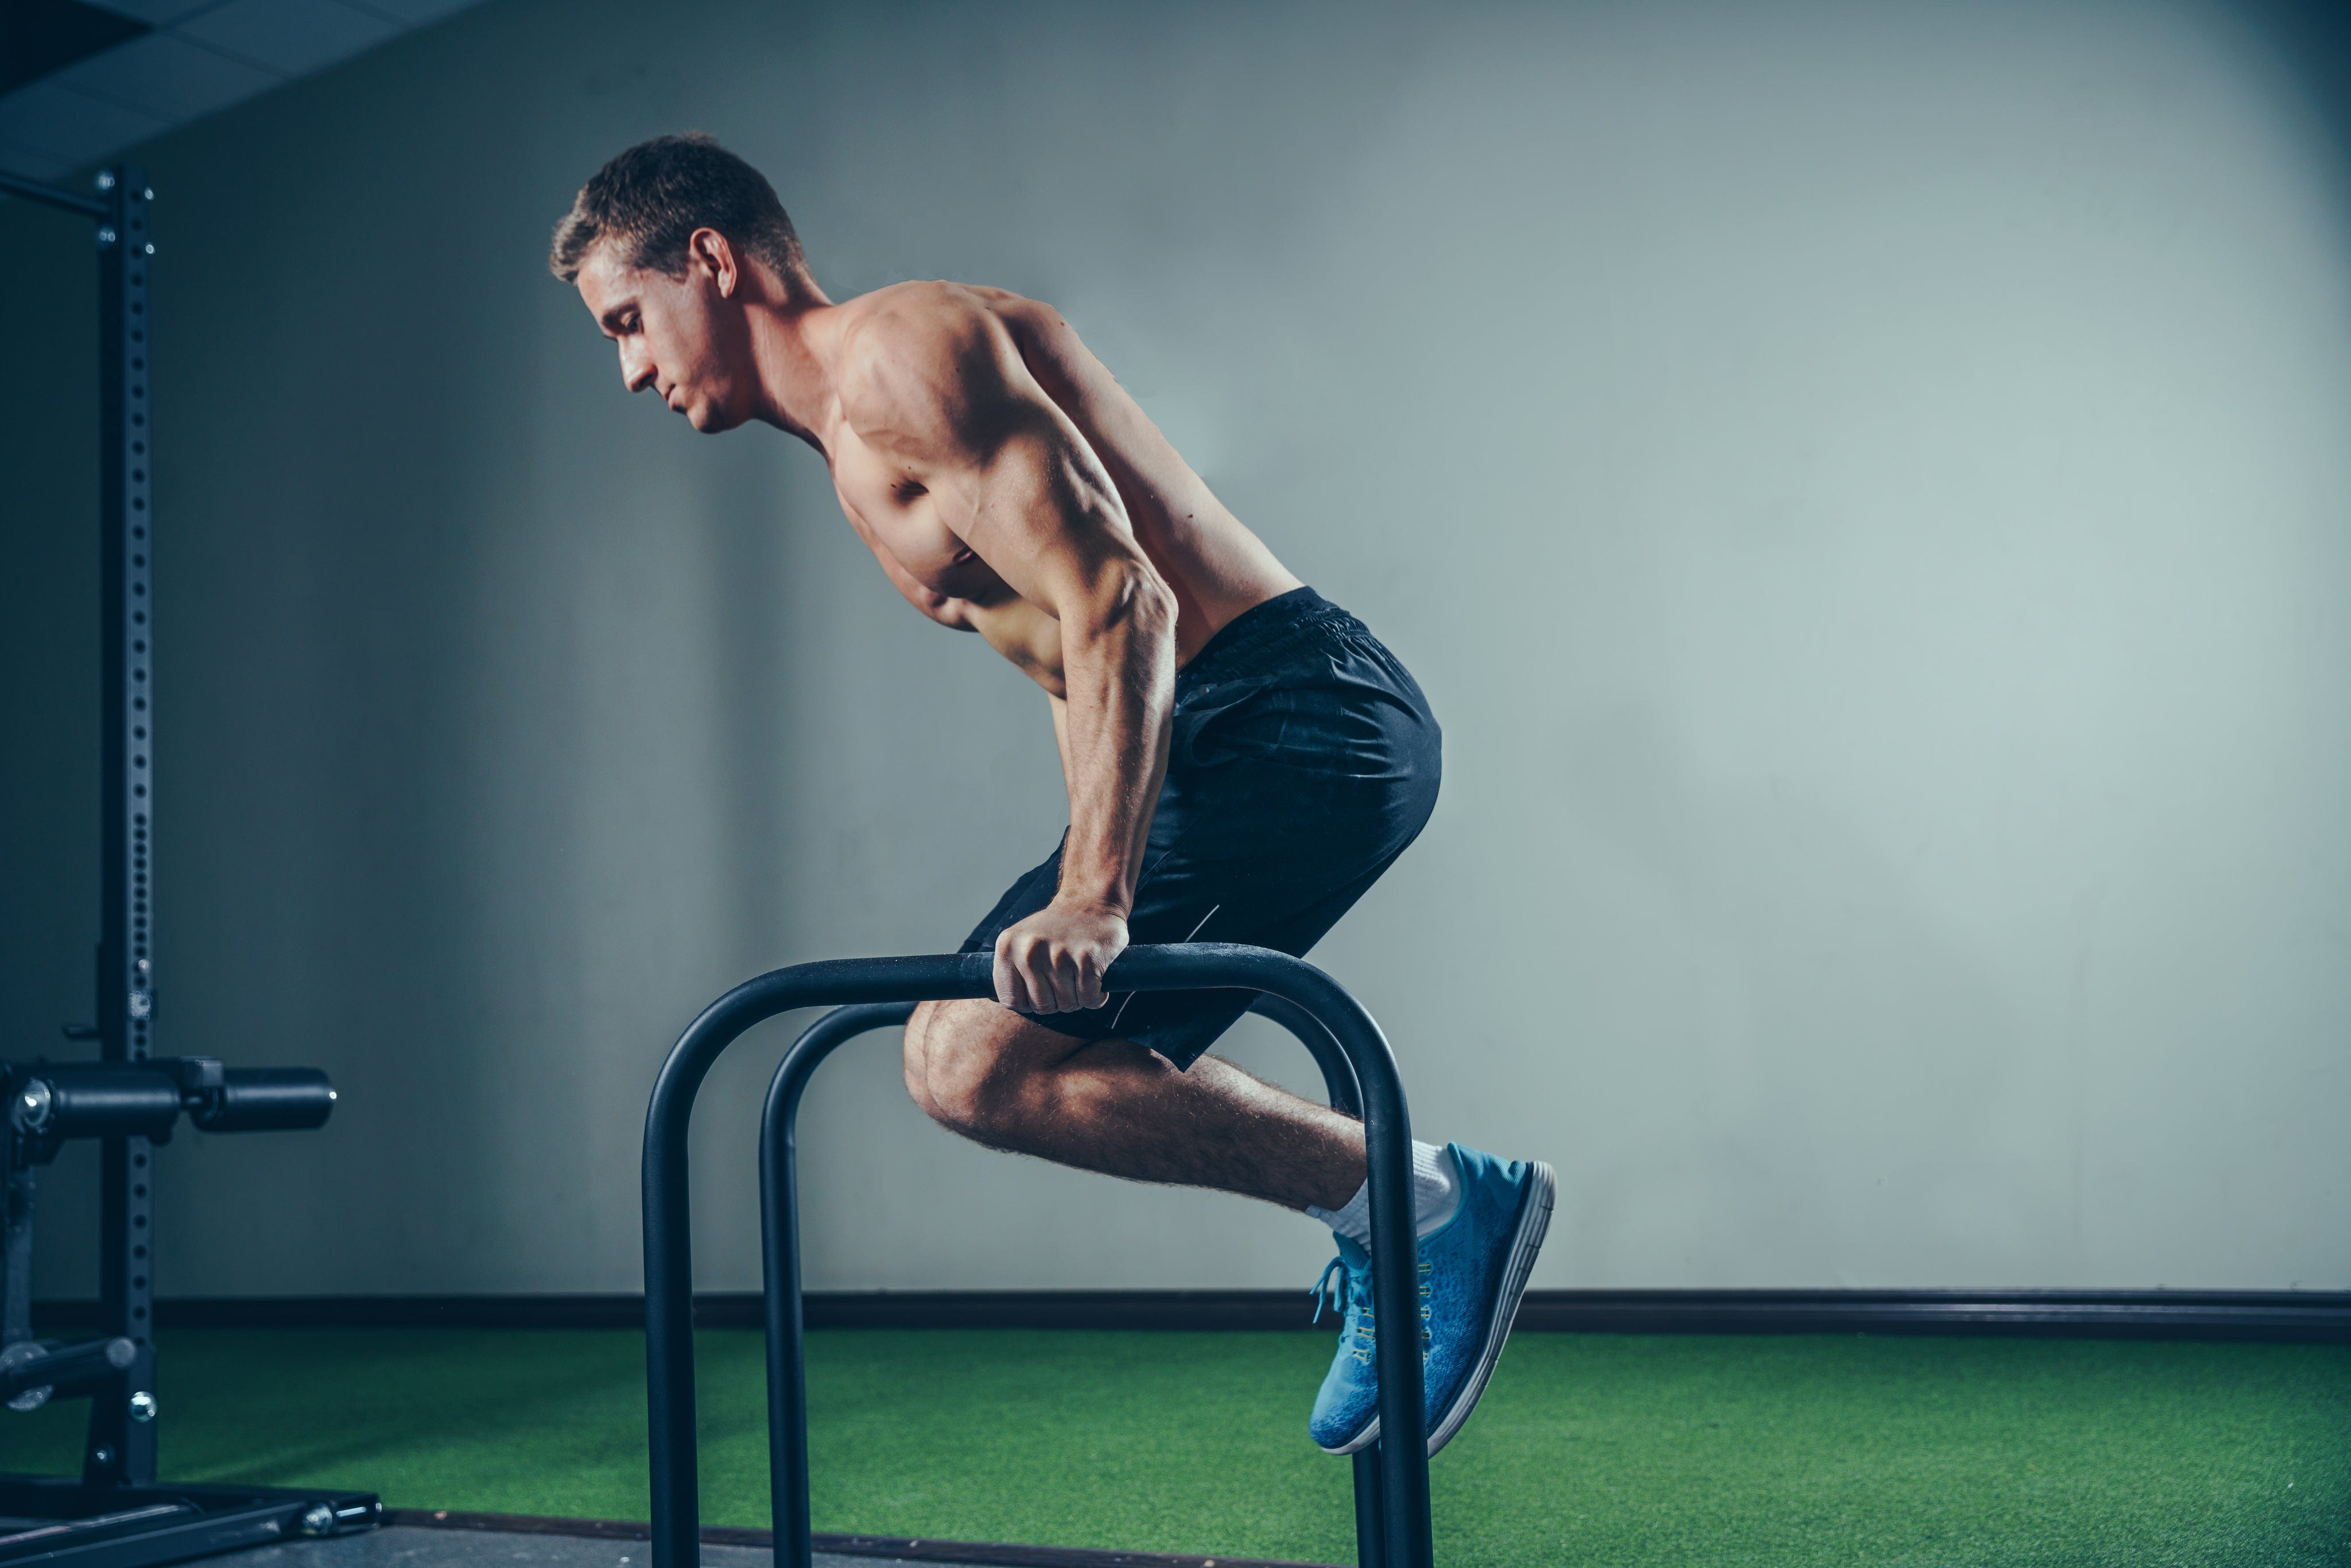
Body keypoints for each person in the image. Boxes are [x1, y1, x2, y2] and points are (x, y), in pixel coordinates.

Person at [550, 133, 1551, 1456]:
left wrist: (1096, 889)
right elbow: (1069, 666)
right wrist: (1091, 855)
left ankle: (1423, 1209)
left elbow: (1123, 596)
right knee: (961, 1055)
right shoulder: (852, 447)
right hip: (1215, 731)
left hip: (1290, 712)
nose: (630, 367)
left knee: (969, 1055)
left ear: (711, 261)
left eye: (630, 318)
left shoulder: (897, 354)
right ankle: (1411, 1209)